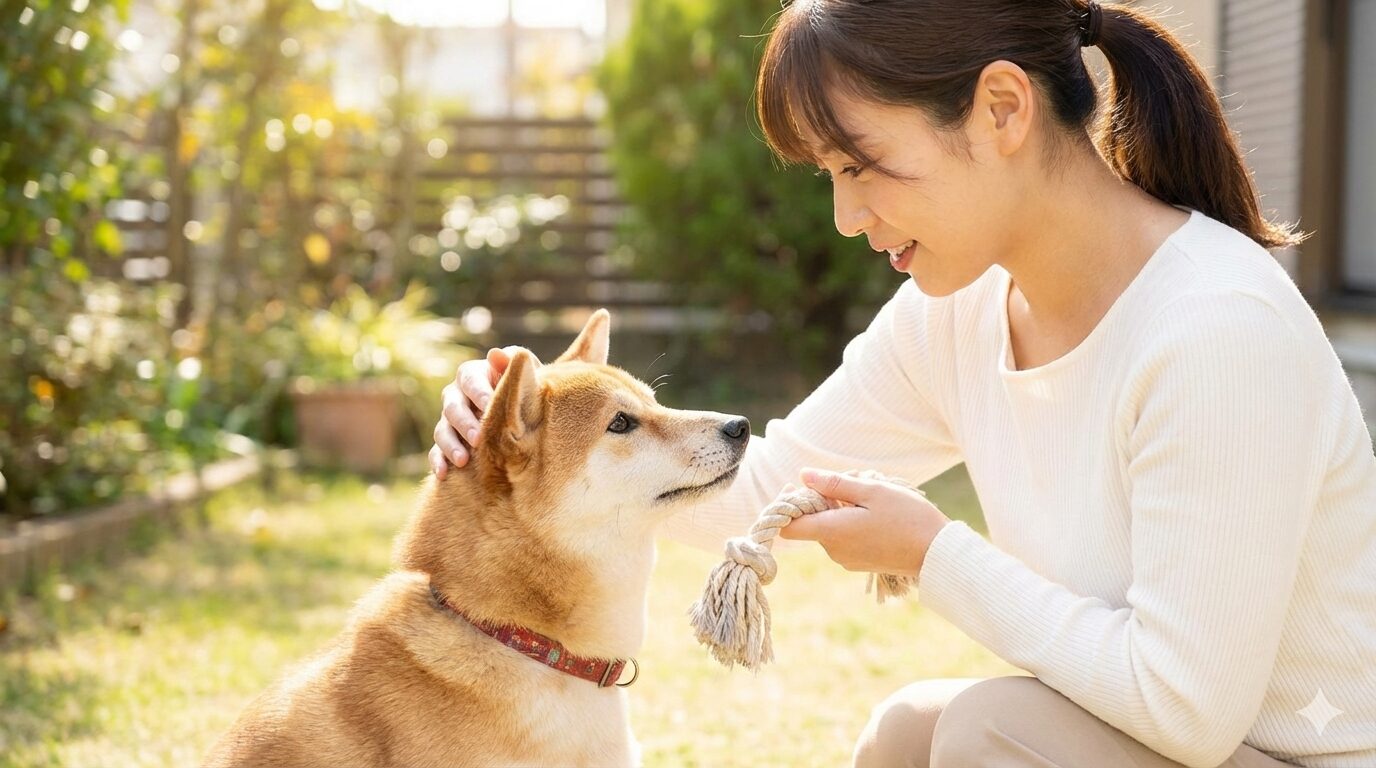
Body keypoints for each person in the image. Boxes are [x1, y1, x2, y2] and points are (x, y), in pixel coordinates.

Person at [429, 1, 1376, 766]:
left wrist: (933, 553)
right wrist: (523, 430)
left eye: (861, 164)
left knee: (986, 736)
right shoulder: (961, 311)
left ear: (1002, 109)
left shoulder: (1212, 331)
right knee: (906, 735)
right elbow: (753, 489)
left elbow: (1187, 709)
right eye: (829, 175)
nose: (846, 215)